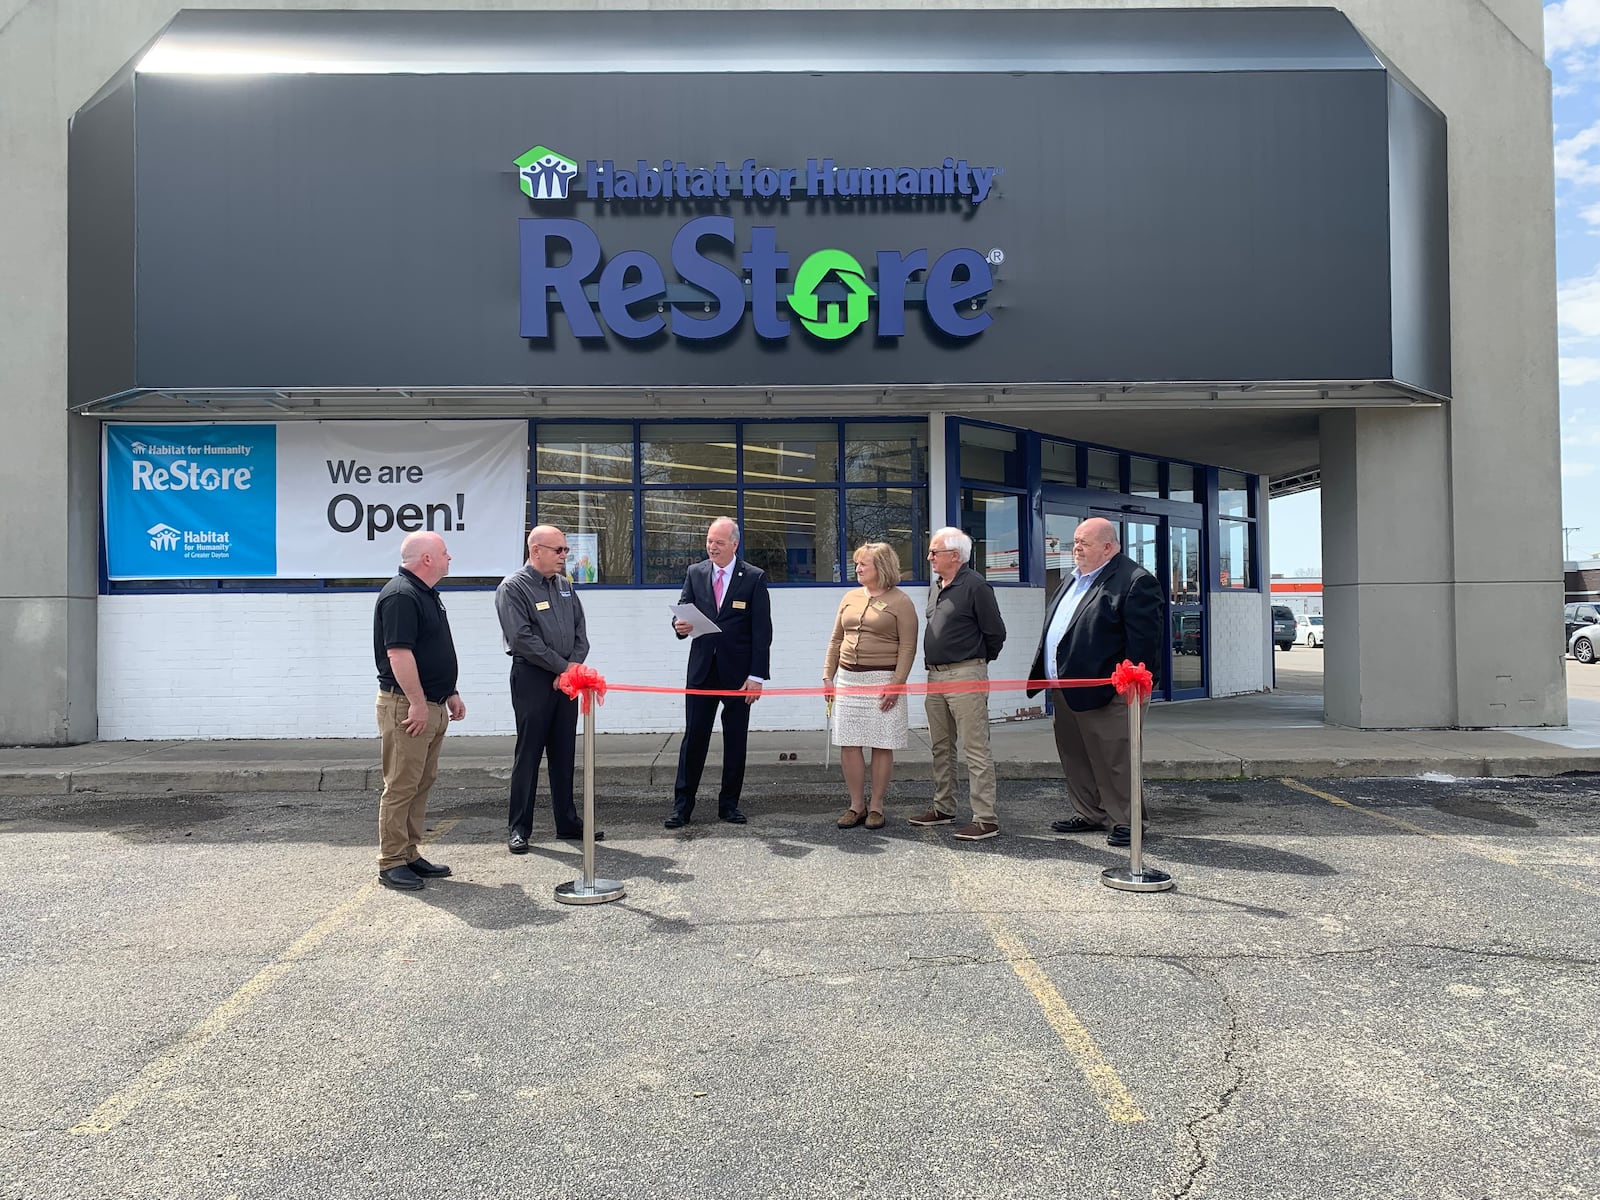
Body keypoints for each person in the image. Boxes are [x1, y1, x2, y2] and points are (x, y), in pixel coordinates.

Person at [1027, 517, 1164, 847]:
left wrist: (1131, 688)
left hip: (1110, 693)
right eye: (1074, 541)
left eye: (1083, 543)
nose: (1076, 548)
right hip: (1066, 689)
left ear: (1108, 546)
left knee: (1115, 758)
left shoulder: (1134, 581)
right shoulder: (1072, 579)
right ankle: (1089, 811)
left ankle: (1126, 821)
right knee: (1075, 754)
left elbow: (1144, 643)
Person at [373, 531, 466, 891]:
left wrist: (450, 692)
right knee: (400, 785)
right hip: (407, 706)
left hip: (432, 703)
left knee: (421, 782)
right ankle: (392, 861)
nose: (449, 558)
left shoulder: (426, 595)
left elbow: (432, 650)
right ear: (426, 559)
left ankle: (410, 853)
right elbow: (399, 654)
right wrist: (415, 702)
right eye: (444, 552)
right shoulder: (401, 595)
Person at [666, 517, 773, 828]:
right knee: (694, 739)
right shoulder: (695, 573)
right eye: (709, 541)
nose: (712, 547)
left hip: (739, 675)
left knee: (735, 740)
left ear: (734, 545)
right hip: (702, 671)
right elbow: (682, 610)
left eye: (719, 542)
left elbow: (762, 632)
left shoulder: (753, 578)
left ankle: (729, 805)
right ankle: (682, 807)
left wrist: (757, 676)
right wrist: (679, 627)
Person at [496, 524, 594, 852]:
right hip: (533, 680)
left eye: (566, 550)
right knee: (530, 753)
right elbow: (522, 638)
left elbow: (580, 631)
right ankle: (519, 827)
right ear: (535, 551)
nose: (564, 556)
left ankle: (567, 822)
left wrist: (572, 667)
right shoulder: (514, 588)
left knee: (564, 752)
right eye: (559, 550)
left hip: (566, 679)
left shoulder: (565, 587)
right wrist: (561, 667)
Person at [910, 527, 1007, 841]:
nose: (929, 558)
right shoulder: (938, 585)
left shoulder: (975, 586)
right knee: (941, 746)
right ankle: (943, 807)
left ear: (955, 555)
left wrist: (976, 663)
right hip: (935, 676)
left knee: (975, 747)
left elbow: (995, 632)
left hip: (966, 674)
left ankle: (985, 818)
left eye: (934, 552)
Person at [823, 542, 919, 830]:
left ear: (883, 568)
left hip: (883, 681)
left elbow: (908, 647)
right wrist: (828, 676)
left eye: (864, 564)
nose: (858, 568)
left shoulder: (901, 602)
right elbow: (836, 640)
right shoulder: (849, 597)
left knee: (881, 743)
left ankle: (876, 805)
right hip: (849, 679)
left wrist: (897, 684)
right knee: (849, 742)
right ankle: (856, 805)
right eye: (857, 563)